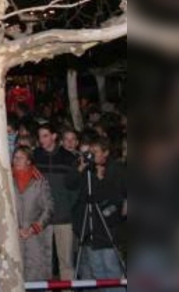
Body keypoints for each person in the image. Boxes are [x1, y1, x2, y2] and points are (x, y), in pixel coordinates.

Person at [73, 139, 126, 292]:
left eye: (96, 151)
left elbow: (115, 197)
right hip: (91, 227)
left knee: (111, 268)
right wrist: (83, 168)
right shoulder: (88, 169)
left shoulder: (116, 169)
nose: (92, 155)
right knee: (97, 270)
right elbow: (75, 187)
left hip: (108, 226)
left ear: (106, 153)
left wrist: (101, 180)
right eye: (91, 151)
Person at [33, 124, 80, 283]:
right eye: (40, 136)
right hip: (41, 216)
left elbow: (75, 187)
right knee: (42, 261)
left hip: (63, 215)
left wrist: (67, 206)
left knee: (65, 261)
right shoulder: (35, 156)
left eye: (45, 135)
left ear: (54, 136)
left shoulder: (68, 158)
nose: (41, 140)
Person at [12, 146, 54, 281]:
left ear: (29, 161)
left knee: (35, 273)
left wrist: (34, 227)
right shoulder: (6, 179)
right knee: (15, 273)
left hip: (35, 235)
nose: (16, 160)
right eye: (15, 157)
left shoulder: (39, 181)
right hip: (13, 234)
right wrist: (14, 227)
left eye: (21, 158)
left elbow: (48, 208)